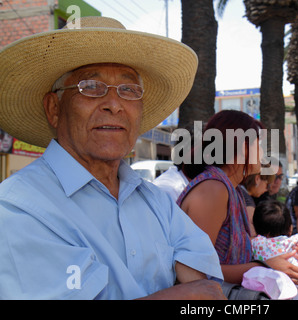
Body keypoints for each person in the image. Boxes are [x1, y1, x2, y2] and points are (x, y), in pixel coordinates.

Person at [0, 17, 225, 300]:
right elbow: (199, 293)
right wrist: (183, 293)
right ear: (54, 108)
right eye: (91, 86)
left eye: (129, 90)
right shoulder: (18, 208)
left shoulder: (154, 201)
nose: (115, 104)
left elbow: (201, 275)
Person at [177, 110, 298, 288]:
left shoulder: (230, 189)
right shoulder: (213, 190)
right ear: (243, 147)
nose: (263, 153)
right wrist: (264, 267)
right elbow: (194, 271)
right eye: (259, 145)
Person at [240, 171, 276, 236]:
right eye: (267, 185)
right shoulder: (247, 202)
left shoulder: (236, 190)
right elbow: (251, 234)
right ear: (257, 179)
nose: (267, 189)